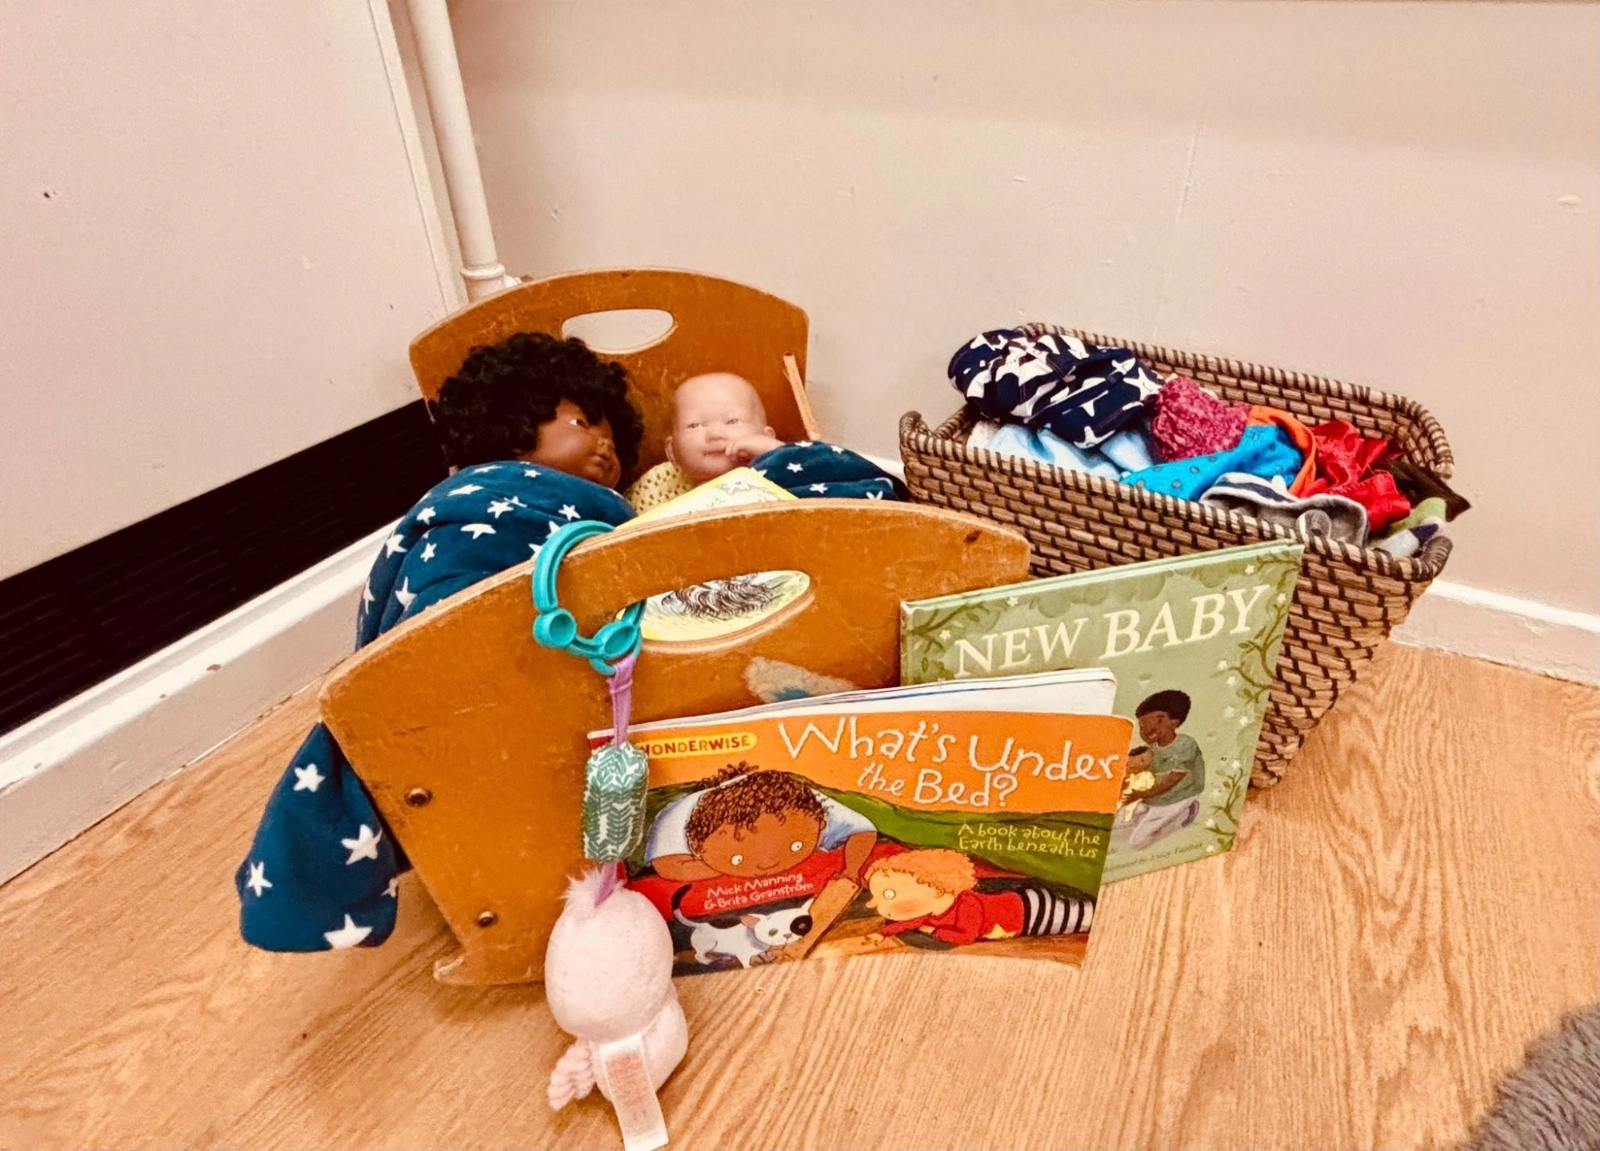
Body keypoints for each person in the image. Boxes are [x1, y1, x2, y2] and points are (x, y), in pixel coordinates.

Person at [236, 332, 645, 953]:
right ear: (513, 430)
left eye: (611, 430)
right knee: (429, 663)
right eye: (583, 421)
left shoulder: (597, 505)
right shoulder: (493, 497)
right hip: (472, 608)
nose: (605, 441)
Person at [626, 372, 907, 511]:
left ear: (766, 436)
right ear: (672, 452)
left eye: (733, 421)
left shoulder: (780, 466)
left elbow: (830, 475)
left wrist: (778, 454)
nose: (714, 434)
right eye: (694, 425)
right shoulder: (659, 489)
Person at [1113, 689, 1206, 852]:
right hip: (1153, 798)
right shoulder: (1151, 750)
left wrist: (1141, 794)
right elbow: (1138, 768)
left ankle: (1184, 815)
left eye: (1156, 722)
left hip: (1179, 796)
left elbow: (1171, 781)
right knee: (1116, 822)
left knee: (1137, 843)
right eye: (1141, 726)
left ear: (1172, 722)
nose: (1145, 731)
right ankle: (1148, 818)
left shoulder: (1185, 745)